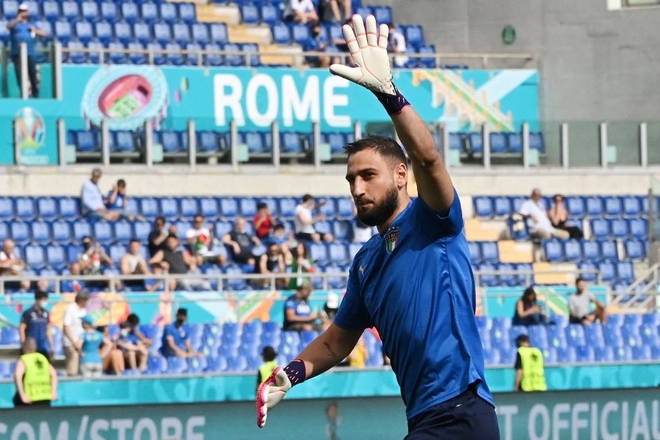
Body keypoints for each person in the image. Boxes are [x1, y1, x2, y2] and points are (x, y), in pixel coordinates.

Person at [257, 15, 498, 438]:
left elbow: (429, 159)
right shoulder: (366, 262)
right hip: (426, 417)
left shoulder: (433, 221)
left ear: (401, 175)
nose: (357, 186)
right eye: (351, 179)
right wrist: (289, 375)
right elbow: (336, 342)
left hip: (461, 408)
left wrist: (388, 93)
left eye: (368, 175)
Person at [7, 3, 47, 98]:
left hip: (29, 53)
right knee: (20, 74)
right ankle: (23, 92)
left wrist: (35, 30)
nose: (23, 13)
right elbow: (8, 26)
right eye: (21, 11)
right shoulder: (15, 23)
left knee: (32, 72)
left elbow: (44, 33)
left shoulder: (31, 23)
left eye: (25, 11)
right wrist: (18, 19)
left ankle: (35, 92)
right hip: (17, 53)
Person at [13, 338, 58, 407]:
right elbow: (54, 374)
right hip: (45, 395)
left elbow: (17, 376)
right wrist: (53, 392)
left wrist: (22, 395)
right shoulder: (42, 358)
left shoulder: (24, 359)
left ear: (24, 347)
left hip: (30, 397)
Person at [19, 291, 54, 361]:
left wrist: (51, 346)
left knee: (45, 364)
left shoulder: (46, 313)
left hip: (42, 345)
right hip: (31, 346)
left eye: (46, 300)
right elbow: (22, 328)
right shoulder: (28, 313)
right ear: (37, 300)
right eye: (43, 299)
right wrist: (23, 342)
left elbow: (48, 330)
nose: (45, 302)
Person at [62, 291, 89, 377]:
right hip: (71, 343)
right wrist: (74, 342)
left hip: (81, 342)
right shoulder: (71, 309)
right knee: (72, 365)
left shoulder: (83, 310)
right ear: (82, 300)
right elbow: (66, 327)